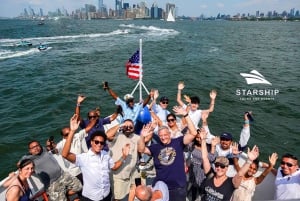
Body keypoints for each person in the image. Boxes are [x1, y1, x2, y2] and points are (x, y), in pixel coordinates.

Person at [62, 114, 130, 201]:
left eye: (102, 143)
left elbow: (114, 167)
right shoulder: (84, 158)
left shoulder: (105, 155)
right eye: (96, 142)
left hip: (106, 195)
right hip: (91, 198)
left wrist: (124, 156)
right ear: (91, 142)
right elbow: (65, 154)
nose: (99, 144)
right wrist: (72, 131)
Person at [138, 106, 198, 201]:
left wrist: (185, 115)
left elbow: (194, 133)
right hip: (160, 187)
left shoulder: (178, 142)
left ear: (170, 134)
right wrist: (142, 136)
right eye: (161, 136)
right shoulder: (155, 147)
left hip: (177, 188)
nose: (163, 137)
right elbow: (141, 150)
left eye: (165, 135)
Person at [200, 128, 259, 201]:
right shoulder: (210, 175)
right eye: (217, 165)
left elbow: (240, 174)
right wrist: (203, 140)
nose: (219, 168)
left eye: (222, 166)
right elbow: (204, 158)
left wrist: (249, 160)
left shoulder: (231, 183)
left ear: (227, 168)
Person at [105, 119, 141, 201]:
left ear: (134, 127)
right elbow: (107, 135)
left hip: (132, 171)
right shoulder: (117, 136)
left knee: (134, 189)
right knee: (117, 197)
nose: (128, 128)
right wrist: (120, 125)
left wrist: (150, 131)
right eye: (126, 126)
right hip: (118, 174)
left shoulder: (137, 137)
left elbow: (145, 141)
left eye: (130, 126)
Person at [187, 112, 218, 201]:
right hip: (193, 169)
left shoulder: (207, 147)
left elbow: (212, 159)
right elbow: (189, 134)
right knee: (193, 186)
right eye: (197, 137)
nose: (198, 139)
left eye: (200, 138)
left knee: (202, 188)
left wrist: (213, 146)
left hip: (203, 170)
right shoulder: (191, 145)